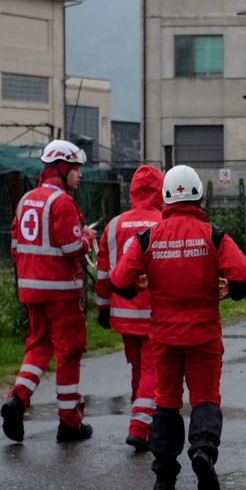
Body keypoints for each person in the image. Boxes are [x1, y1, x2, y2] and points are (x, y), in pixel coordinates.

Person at [110, 165, 246, 490]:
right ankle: (203, 452)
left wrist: (140, 284)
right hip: (203, 336)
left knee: (167, 404)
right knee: (205, 399)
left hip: (163, 337)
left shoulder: (148, 238)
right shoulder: (213, 235)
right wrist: (230, 290)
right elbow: (244, 274)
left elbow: (119, 281)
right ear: (199, 196)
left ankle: (164, 475)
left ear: (165, 197)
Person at [2, 139, 94, 444]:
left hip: (31, 290)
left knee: (38, 348)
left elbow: (15, 247)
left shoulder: (26, 199)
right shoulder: (63, 202)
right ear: (62, 168)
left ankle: (18, 398)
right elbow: (71, 247)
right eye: (77, 170)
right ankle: (70, 423)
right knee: (69, 352)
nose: (80, 175)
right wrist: (88, 239)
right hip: (61, 293)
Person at [94, 164, 165, 452]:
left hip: (123, 312)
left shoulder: (114, 225)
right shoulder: (163, 222)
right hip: (154, 312)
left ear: (133, 191)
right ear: (161, 191)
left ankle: (142, 414)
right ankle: (140, 425)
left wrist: (102, 306)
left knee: (138, 368)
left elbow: (103, 272)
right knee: (153, 369)